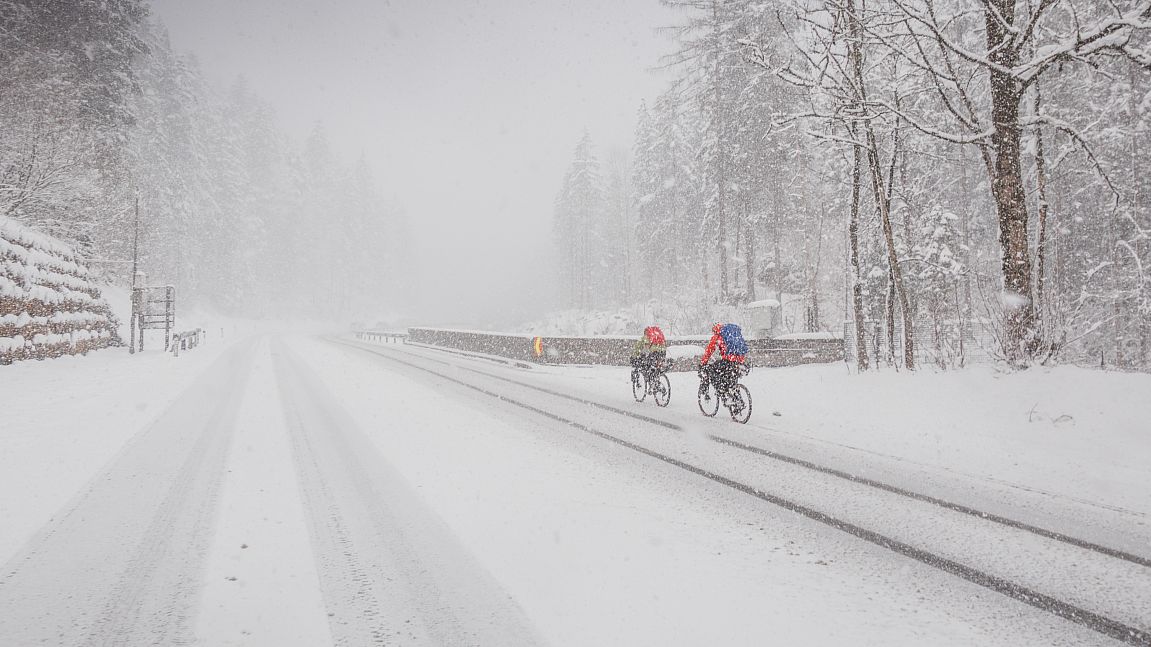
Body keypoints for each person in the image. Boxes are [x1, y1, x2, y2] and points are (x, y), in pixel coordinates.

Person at [698, 323, 747, 397]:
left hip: (729, 360)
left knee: (711, 369)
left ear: (715, 330)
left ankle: (721, 389)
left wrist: (703, 363)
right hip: (740, 361)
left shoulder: (718, 335)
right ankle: (737, 400)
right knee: (731, 381)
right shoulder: (734, 333)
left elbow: (709, 351)